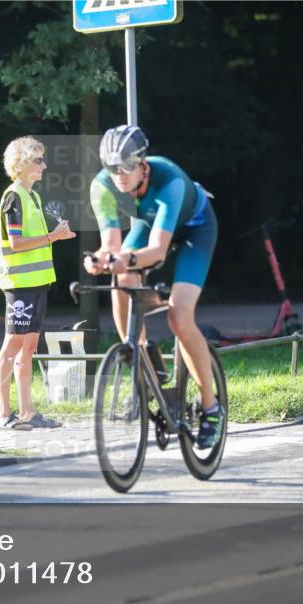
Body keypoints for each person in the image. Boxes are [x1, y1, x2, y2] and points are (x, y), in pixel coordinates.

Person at [85, 125, 222, 449]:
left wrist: (123, 259)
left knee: (179, 316)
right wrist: (101, 260)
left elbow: (158, 251)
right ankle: (139, 353)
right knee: (122, 281)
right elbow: (111, 244)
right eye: (111, 168)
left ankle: (210, 406)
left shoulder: (169, 180)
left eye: (126, 167)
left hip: (195, 230)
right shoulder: (101, 186)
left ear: (143, 163)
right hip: (149, 227)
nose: (119, 175)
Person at [0, 136, 76, 430]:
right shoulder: (13, 196)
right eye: (38, 160)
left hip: (38, 282)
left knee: (28, 347)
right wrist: (55, 236)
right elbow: (16, 243)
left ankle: (27, 412)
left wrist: (55, 235)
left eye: (42, 159)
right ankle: (4, 415)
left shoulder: (34, 197)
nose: (44, 165)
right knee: (12, 345)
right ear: (22, 163)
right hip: (19, 283)